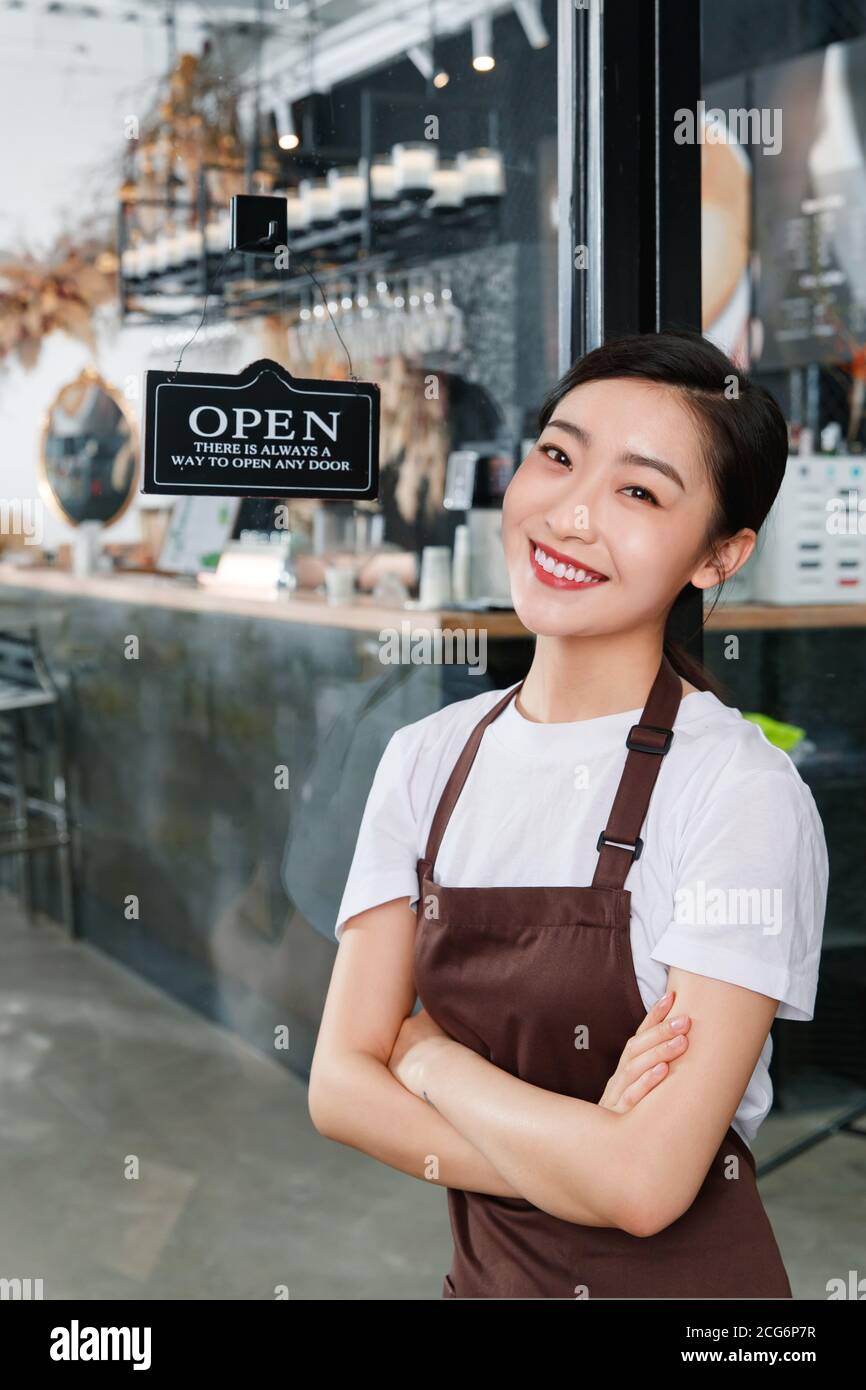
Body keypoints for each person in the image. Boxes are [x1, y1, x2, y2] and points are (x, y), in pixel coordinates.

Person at [308, 329, 829, 1299]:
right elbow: (338, 1086)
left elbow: (645, 1187)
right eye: (556, 454)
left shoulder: (737, 792)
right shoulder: (426, 759)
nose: (570, 512)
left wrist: (427, 1057)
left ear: (719, 554)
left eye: (637, 491)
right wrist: (590, 1154)